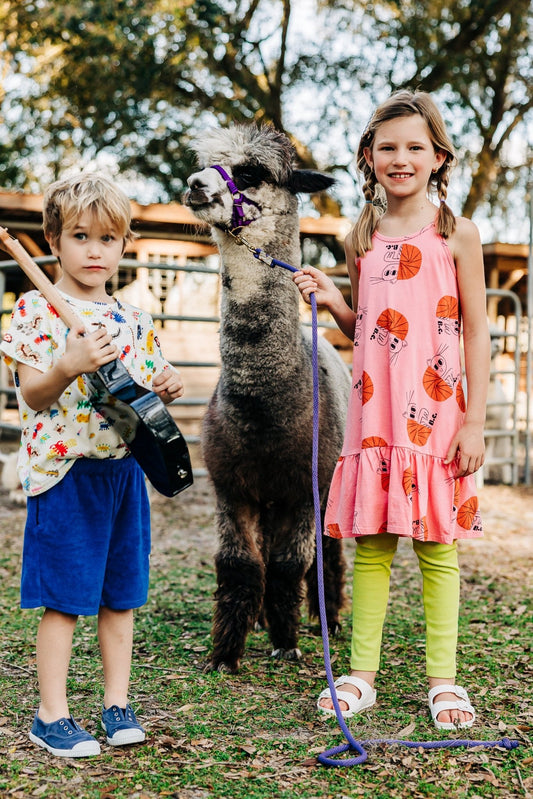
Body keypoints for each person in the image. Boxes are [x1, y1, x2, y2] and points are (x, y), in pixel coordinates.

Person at [293, 90, 490, 730]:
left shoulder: (457, 234)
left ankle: (444, 682)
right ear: (369, 158)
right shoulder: (363, 237)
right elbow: (370, 327)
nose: (400, 158)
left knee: (438, 551)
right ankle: (361, 676)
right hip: (376, 419)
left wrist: (477, 418)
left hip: (437, 418)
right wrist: (331, 299)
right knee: (373, 547)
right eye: (388, 148)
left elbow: (478, 332)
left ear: (438, 157)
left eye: (414, 147)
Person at [1, 173, 184, 757]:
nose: (95, 249)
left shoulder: (135, 320)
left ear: (124, 244)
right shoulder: (35, 309)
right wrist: (67, 364)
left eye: (109, 238)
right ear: (54, 239)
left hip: (124, 473)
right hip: (65, 473)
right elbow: (31, 394)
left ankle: (116, 704)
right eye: (81, 236)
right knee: (64, 599)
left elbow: (142, 389)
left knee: (120, 596)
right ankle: (50, 714)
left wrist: (166, 385)